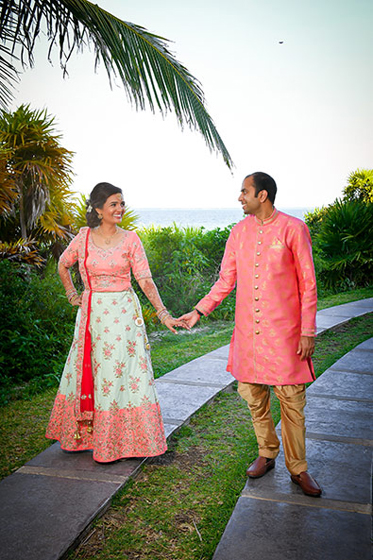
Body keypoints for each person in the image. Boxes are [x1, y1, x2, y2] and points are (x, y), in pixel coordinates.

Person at [179, 172, 322, 496]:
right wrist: (199, 310)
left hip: (286, 335)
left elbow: (308, 284)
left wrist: (308, 330)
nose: (239, 197)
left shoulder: (293, 229)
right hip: (250, 335)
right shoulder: (238, 233)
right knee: (253, 395)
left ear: (263, 195)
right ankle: (267, 451)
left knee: (291, 401)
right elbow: (225, 281)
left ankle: (298, 469)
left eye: (244, 191)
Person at [46, 182, 186, 463]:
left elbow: (145, 280)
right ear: (98, 209)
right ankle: (92, 438)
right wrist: (72, 294)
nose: (120, 208)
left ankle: (127, 442)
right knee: (96, 375)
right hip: (92, 317)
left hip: (123, 316)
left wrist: (162, 313)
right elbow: (63, 264)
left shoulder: (131, 239)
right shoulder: (83, 238)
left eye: (122, 203)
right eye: (113, 204)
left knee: (124, 375)